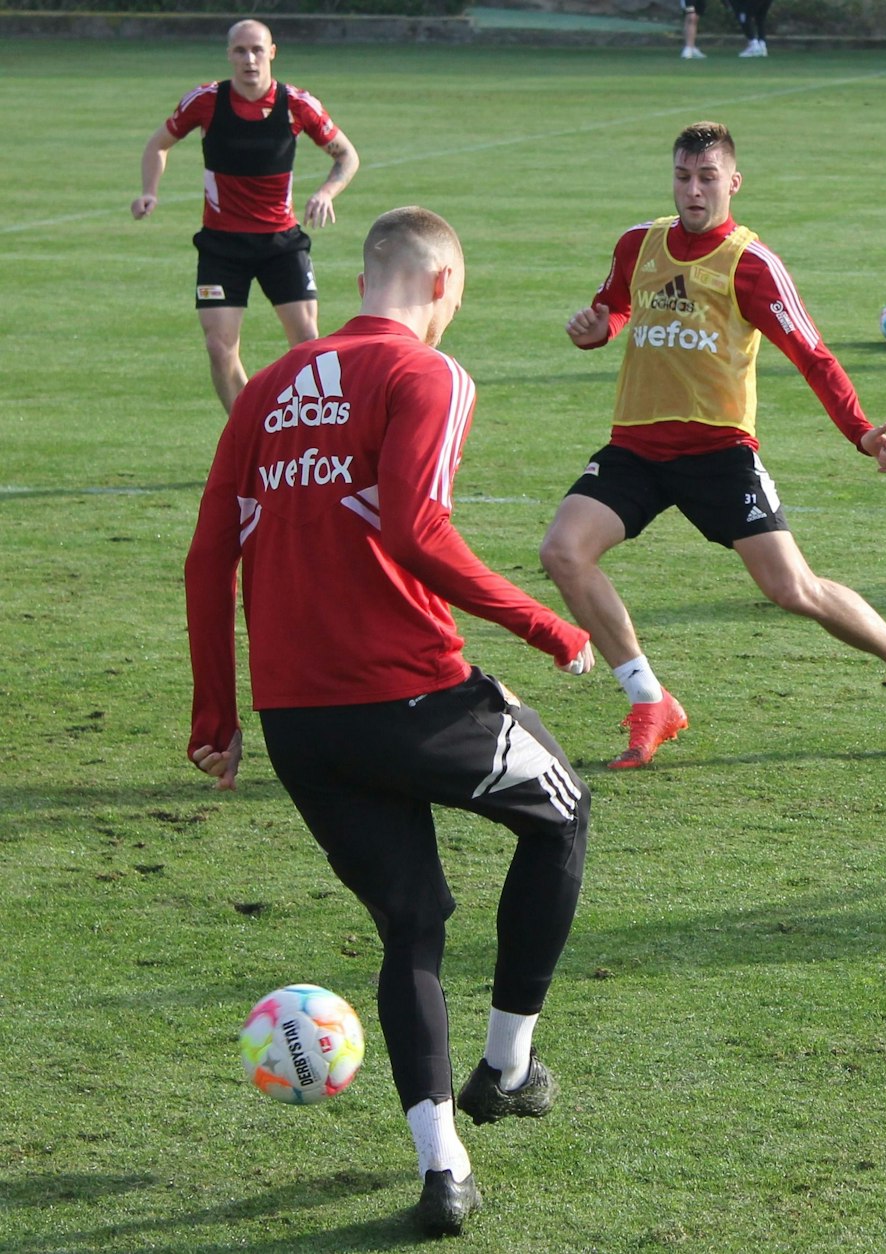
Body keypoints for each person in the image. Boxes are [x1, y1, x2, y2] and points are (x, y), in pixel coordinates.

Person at [185, 206, 596, 1239]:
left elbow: (207, 558)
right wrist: (540, 619)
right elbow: (416, 527)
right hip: (409, 698)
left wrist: (215, 713)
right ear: (445, 283)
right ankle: (504, 1069)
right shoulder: (427, 376)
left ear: (364, 278)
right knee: (562, 813)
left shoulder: (270, 386)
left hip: (298, 723)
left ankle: (442, 1169)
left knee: (410, 924)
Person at [541, 121, 886, 770]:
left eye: (707, 178)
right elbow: (614, 310)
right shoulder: (638, 244)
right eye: (683, 176)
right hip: (636, 447)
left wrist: (861, 431)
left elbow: (811, 353)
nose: (693, 190)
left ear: (733, 182)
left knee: (792, 588)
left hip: (719, 455)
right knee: (563, 553)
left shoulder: (751, 263)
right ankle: (649, 700)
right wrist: (595, 330)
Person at [132, 19, 360, 414]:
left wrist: (326, 192)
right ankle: (246, 436)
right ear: (229, 56)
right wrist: (150, 191)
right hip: (222, 246)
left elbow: (346, 154)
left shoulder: (298, 104)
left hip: (281, 243)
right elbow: (159, 144)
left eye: (257, 50)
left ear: (272, 52)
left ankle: (310, 436)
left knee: (308, 345)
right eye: (240, 51)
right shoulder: (205, 101)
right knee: (219, 348)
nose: (249, 59)